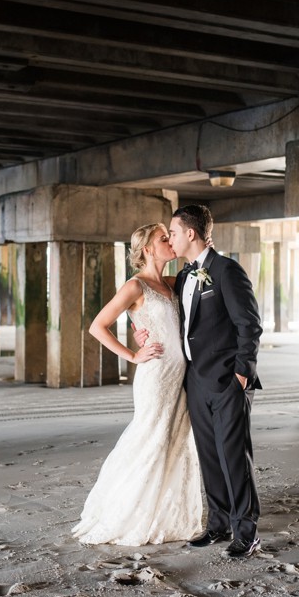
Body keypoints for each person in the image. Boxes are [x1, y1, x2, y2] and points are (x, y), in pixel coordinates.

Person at [135, 205, 263, 558]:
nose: (171, 239)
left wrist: (241, 374)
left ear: (190, 233)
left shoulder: (226, 271)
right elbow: (166, 316)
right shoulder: (187, 275)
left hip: (227, 382)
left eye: (173, 232)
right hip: (194, 381)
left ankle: (246, 531)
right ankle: (219, 525)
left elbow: (249, 325)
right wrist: (140, 334)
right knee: (209, 456)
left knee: (234, 457)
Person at [71, 223, 203, 546]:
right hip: (155, 376)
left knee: (176, 440)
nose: (170, 242)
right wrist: (132, 354)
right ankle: (127, 511)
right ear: (147, 249)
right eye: (163, 238)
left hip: (179, 378)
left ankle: (165, 513)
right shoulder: (135, 287)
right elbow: (97, 326)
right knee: (150, 438)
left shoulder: (173, 284)